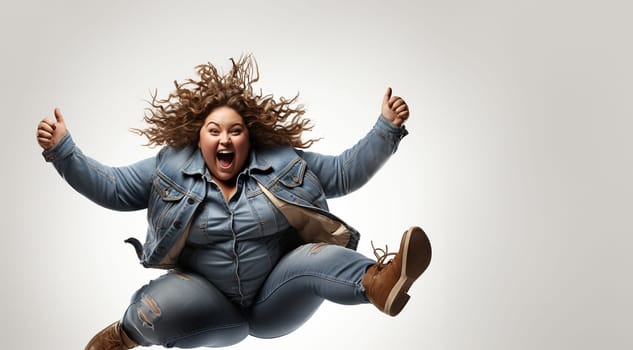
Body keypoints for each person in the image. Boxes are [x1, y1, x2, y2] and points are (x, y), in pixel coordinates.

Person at [36, 55, 432, 350]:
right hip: (206, 302)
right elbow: (114, 188)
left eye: (235, 131)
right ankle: (123, 337)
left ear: (249, 137)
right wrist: (63, 150)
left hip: (276, 298)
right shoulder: (169, 168)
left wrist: (386, 128)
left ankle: (378, 283)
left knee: (318, 256)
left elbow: (344, 172)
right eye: (214, 130)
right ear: (199, 137)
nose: (225, 139)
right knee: (155, 306)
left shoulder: (282, 160)